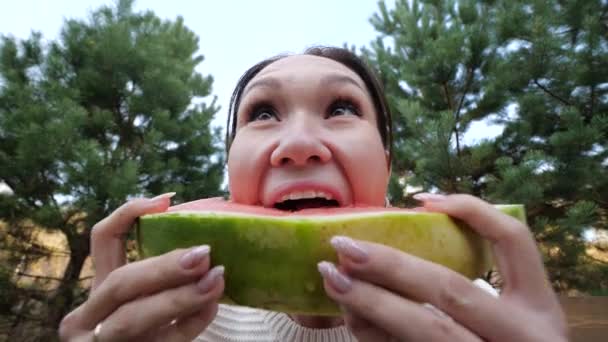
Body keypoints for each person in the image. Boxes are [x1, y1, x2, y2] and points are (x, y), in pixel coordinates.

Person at [58, 46, 568, 341]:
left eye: (342, 107)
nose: (297, 146)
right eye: (261, 113)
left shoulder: (478, 319)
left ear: (386, 168)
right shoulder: (174, 322)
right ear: (232, 173)